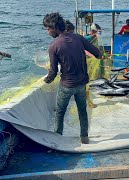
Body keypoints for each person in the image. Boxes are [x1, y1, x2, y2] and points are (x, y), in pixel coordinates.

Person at [43, 12, 102, 144]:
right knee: (82, 110)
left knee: (60, 112)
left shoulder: (53, 46)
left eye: (48, 29)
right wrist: (102, 54)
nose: (48, 32)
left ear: (54, 27)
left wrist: (46, 80)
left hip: (67, 86)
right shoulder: (78, 38)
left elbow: (53, 73)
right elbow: (97, 54)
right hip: (81, 84)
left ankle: (57, 138)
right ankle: (84, 137)